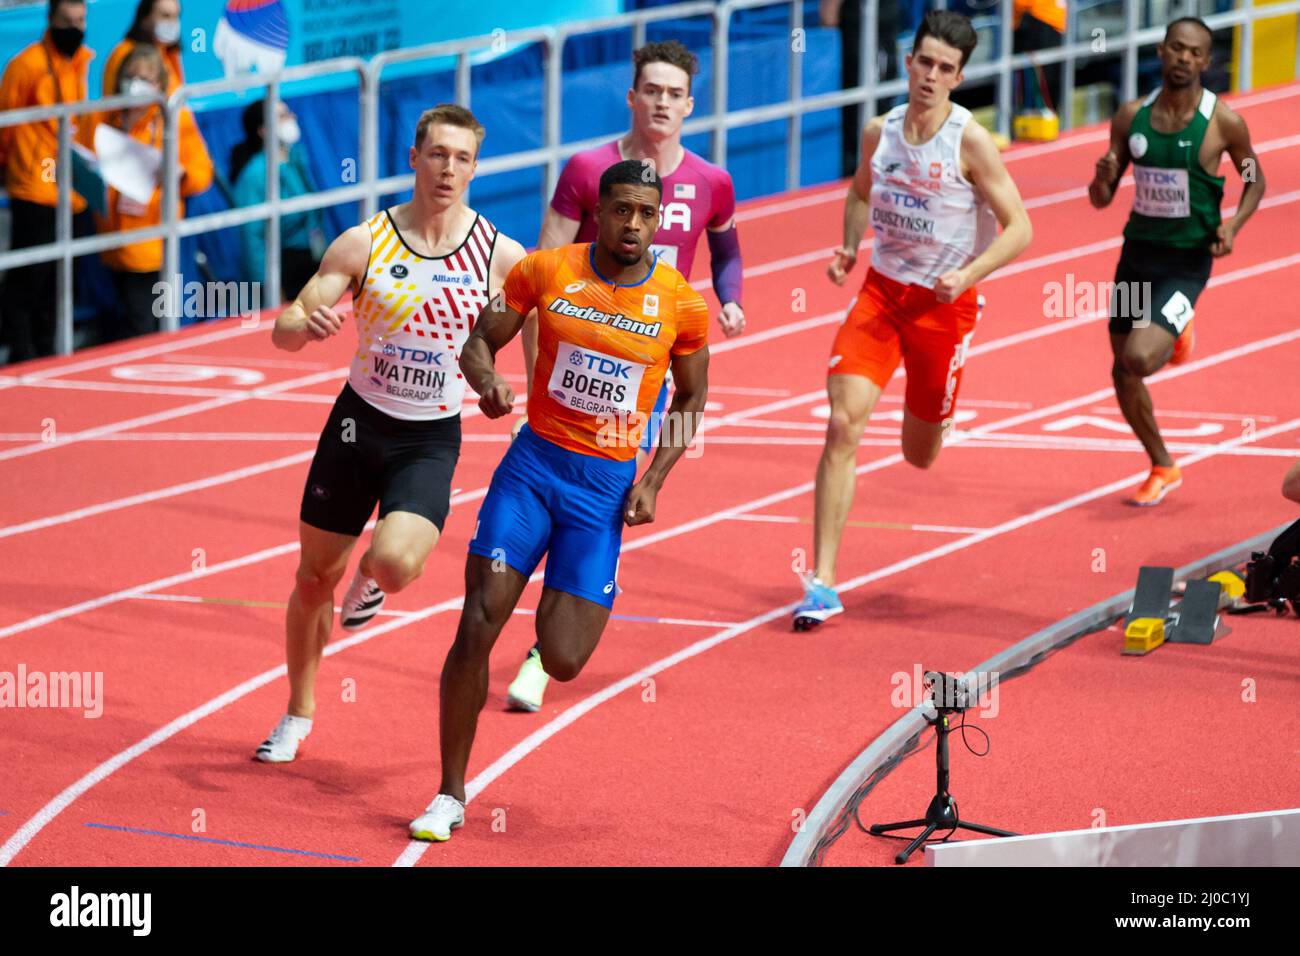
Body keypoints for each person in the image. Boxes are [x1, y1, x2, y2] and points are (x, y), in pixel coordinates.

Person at [408, 159, 710, 841]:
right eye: (621, 210)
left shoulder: (683, 305)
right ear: (597, 212)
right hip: (532, 469)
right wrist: (486, 383)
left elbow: (693, 397)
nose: (633, 224)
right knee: (478, 619)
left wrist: (656, 478)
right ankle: (449, 795)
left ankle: (566, 605)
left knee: (564, 657)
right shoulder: (545, 270)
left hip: (602, 490)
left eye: (646, 213)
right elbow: (478, 342)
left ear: (657, 221)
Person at [254, 104, 525, 763]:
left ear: (475, 167)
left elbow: (531, 350)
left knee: (397, 562)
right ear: (414, 158)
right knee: (313, 578)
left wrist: (501, 390)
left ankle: (370, 577)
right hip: (355, 427)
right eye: (437, 154)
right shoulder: (364, 242)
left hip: (428, 438)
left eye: (462, 159)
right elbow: (284, 330)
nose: (448, 169)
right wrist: (305, 325)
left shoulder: (500, 257)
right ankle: (297, 711)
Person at [504, 38, 744, 713]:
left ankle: (541, 652)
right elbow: (540, 276)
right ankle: (536, 621)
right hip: (570, 366)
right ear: (632, 97)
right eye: (652, 91)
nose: (662, 103)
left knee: (601, 496)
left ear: (689, 105)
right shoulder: (586, 170)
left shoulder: (711, 180)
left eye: (675, 94)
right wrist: (534, 378)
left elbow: (725, 248)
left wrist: (730, 298)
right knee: (558, 494)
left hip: (647, 372)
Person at [792, 10, 1033, 631]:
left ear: (958, 77)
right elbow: (858, 191)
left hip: (944, 309)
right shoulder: (881, 132)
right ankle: (822, 582)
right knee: (843, 424)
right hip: (880, 297)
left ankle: (935, 408)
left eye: (944, 68)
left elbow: (1022, 228)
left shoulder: (970, 142)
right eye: (923, 62)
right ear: (908, 62)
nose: (930, 75)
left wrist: (970, 274)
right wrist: (849, 246)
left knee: (918, 453)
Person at [1088, 16, 1264, 506]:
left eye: (1194, 52)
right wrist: (1102, 177)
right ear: (1162, 51)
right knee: (1122, 371)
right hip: (1136, 256)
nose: (1184, 58)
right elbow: (1101, 198)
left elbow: (1256, 177)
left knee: (1140, 357)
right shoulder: (1129, 118)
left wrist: (1233, 225)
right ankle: (1163, 465)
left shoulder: (1225, 123)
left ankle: (1179, 329)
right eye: (1176, 49)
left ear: (1206, 61)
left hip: (1187, 262)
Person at [78, 42, 212, 342]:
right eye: (130, 76)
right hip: (108, 241)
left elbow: (201, 172)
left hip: (150, 243)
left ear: (159, 85)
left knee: (144, 326)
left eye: (145, 79)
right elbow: (79, 162)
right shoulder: (99, 117)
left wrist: (180, 175)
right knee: (117, 321)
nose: (135, 84)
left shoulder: (173, 118)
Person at [0, 0, 93, 362]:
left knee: (61, 277)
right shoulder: (26, 65)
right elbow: (5, 128)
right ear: (51, 20)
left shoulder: (79, 62)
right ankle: (22, 353)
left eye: (80, 21)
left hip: (70, 188)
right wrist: (11, 168)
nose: (74, 28)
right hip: (34, 187)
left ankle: (50, 350)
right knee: (31, 277)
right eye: (66, 21)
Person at [230, 97, 325, 303]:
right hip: (281, 266)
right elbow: (252, 239)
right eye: (282, 116)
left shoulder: (296, 156)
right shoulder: (254, 175)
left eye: (289, 112)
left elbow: (311, 215)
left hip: (310, 255)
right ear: (263, 131)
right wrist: (270, 287)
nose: (292, 118)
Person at [102, 0, 185, 96]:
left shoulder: (169, 52)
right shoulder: (125, 53)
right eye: (165, 16)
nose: (172, 23)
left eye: (176, 16)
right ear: (145, 19)